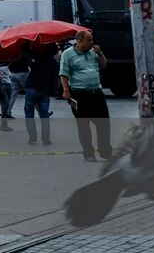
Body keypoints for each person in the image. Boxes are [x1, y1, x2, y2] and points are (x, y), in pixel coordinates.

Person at [60, 30, 111, 162]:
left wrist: (100, 53)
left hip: (96, 92)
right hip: (78, 94)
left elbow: (104, 65)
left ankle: (105, 151)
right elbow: (64, 74)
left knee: (104, 123)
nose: (91, 42)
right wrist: (66, 90)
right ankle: (88, 152)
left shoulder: (93, 52)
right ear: (79, 40)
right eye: (88, 40)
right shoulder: (68, 54)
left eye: (91, 39)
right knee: (83, 124)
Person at [24, 43, 58, 146]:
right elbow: (55, 81)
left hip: (32, 88)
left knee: (29, 113)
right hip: (44, 92)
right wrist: (52, 91)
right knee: (44, 115)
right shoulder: (55, 64)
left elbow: (27, 53)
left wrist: (25, 43)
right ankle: (46, 139)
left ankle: (33, 138)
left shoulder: (38, 58)